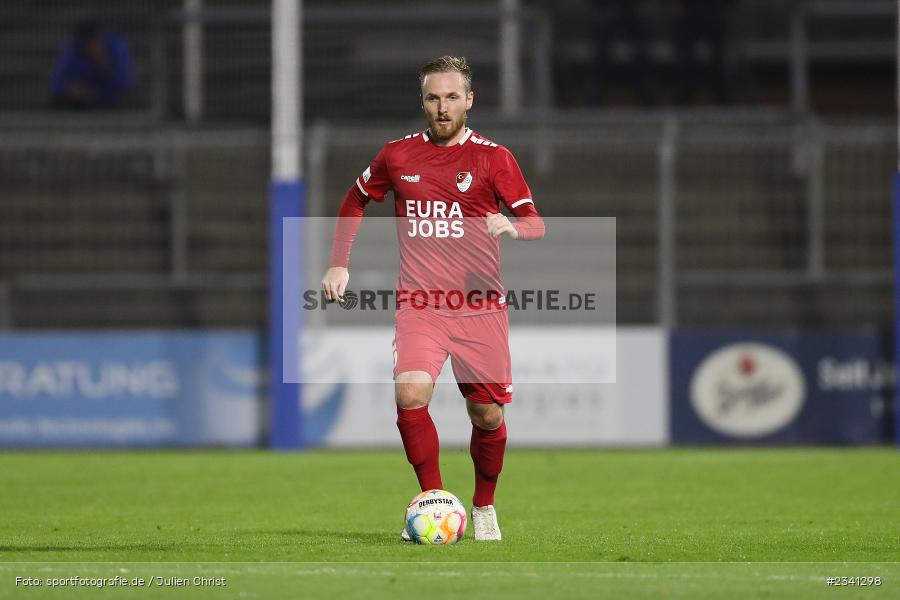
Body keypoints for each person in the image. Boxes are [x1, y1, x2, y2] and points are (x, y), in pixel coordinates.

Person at [321, 56, 545, 542]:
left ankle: (483, 505)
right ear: (422, 102)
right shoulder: (398, 155)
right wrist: (340, 262)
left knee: (487, 415)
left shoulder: (494, 158)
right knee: (409, 393)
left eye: (451, 97)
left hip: (480, 307)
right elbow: (354, 198)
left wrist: (513, 226)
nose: (442, 108)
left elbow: (535, 220)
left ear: (469, 100)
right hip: (421, 303)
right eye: (432, 98)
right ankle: (434, 500)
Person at [50, 20, 134, 109]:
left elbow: (124, 85)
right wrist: (70, 89)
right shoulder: (73, 49)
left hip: (110, 97)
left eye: (94, 40)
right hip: (82, 100)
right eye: (86, 42)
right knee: (57, 101)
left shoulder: (117, 47)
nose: (91, 45)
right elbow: (56, 84)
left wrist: (104, 65)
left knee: (123, 100)